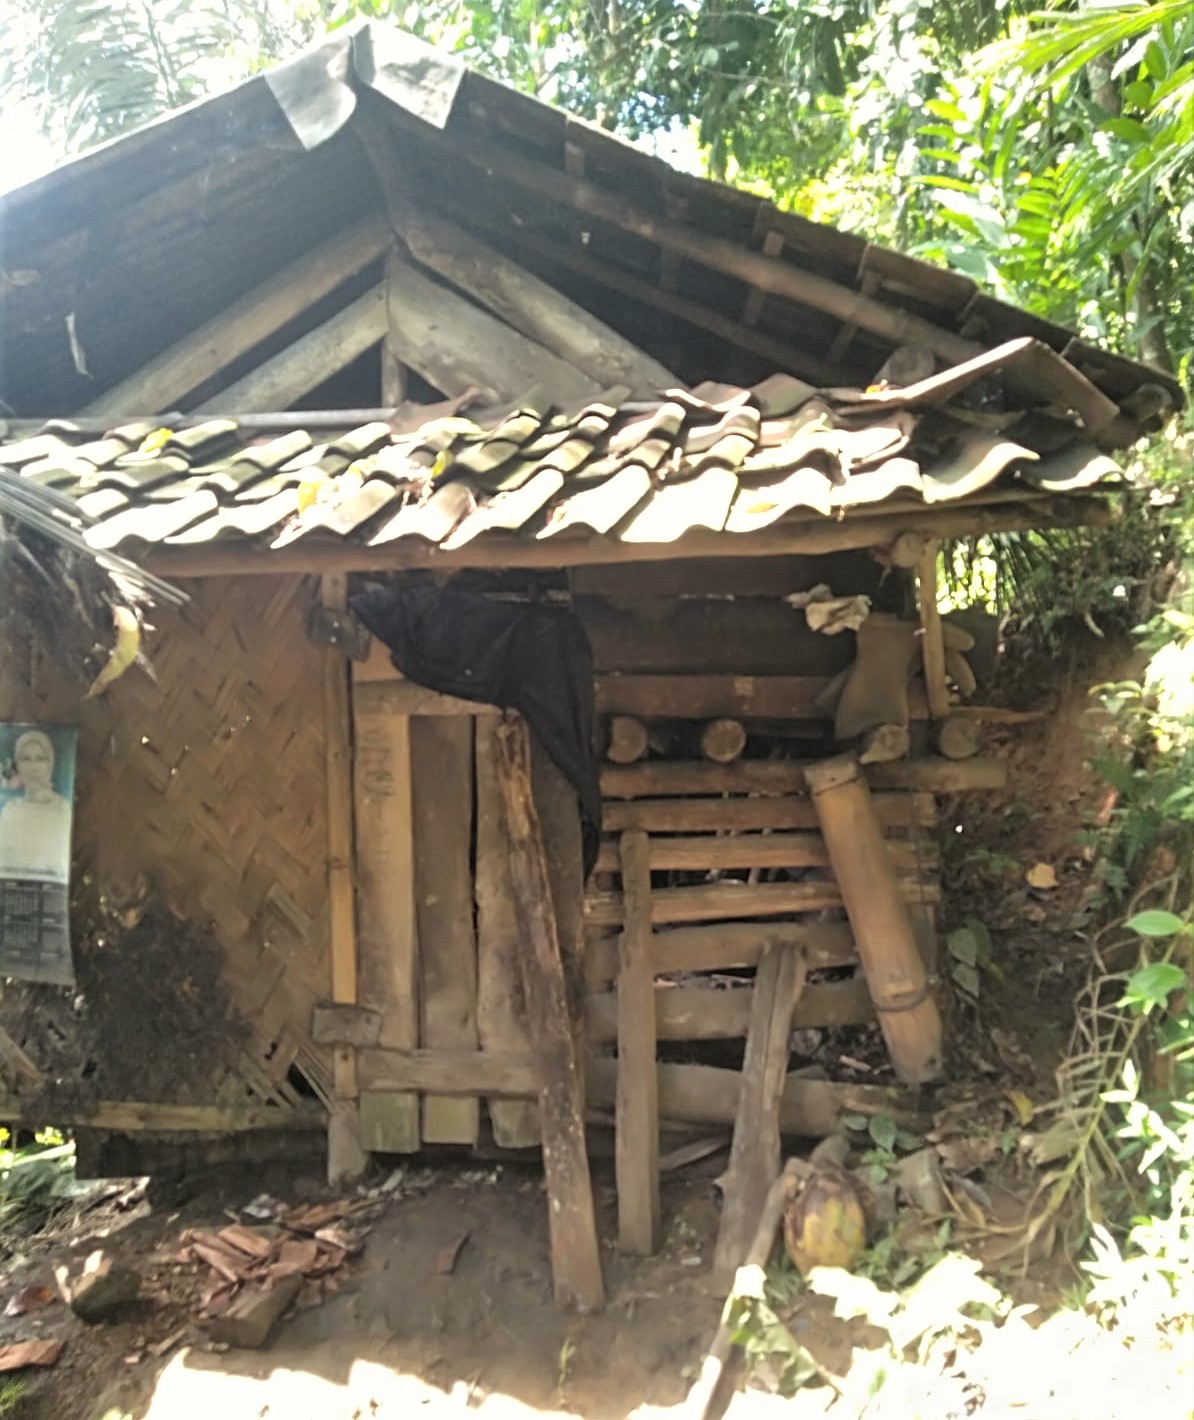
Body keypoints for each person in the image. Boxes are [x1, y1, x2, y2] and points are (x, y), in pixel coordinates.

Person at [0, 730, 72, 882]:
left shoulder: (64, 809)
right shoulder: (10, 811)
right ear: (17, 765)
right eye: (26, 759)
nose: (33, 767)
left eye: (40, 759)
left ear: (50, 763)